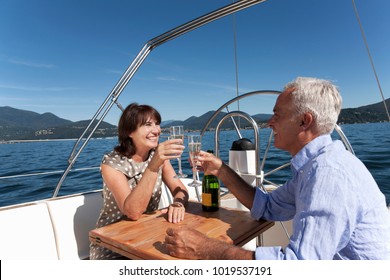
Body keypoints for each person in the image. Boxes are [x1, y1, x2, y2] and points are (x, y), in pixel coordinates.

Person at [165, 77, 390, 260]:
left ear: (304, 121)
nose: (269, 122)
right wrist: (222, 170)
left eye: (277, 114)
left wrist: (204, 248)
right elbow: (268, 206)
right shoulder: (313, 167)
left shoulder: (328, 173)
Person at [90, 103, 189, 260]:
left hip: (147, 235)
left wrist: (178, 203)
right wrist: (154, 164)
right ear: (130, 131)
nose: (156, 130)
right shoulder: (111, 163)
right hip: (113, 244)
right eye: (148, 125)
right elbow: (133, 212)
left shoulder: (157, 156)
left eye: (157, 124)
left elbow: (180, 190)